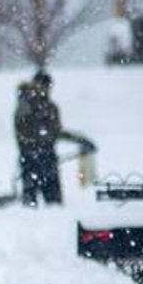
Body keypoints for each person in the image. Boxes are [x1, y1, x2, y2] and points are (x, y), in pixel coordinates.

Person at [14, 71, 95, 207]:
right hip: (30, 159)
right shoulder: (25, 106)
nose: (44, 89)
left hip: (48, 159)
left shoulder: (50, 107)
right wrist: (40, 142)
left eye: (47, 86)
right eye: (41, 86)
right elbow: (23, 132)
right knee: (29, 205)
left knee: (54, 204)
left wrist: (80, 139)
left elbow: (56, 132)